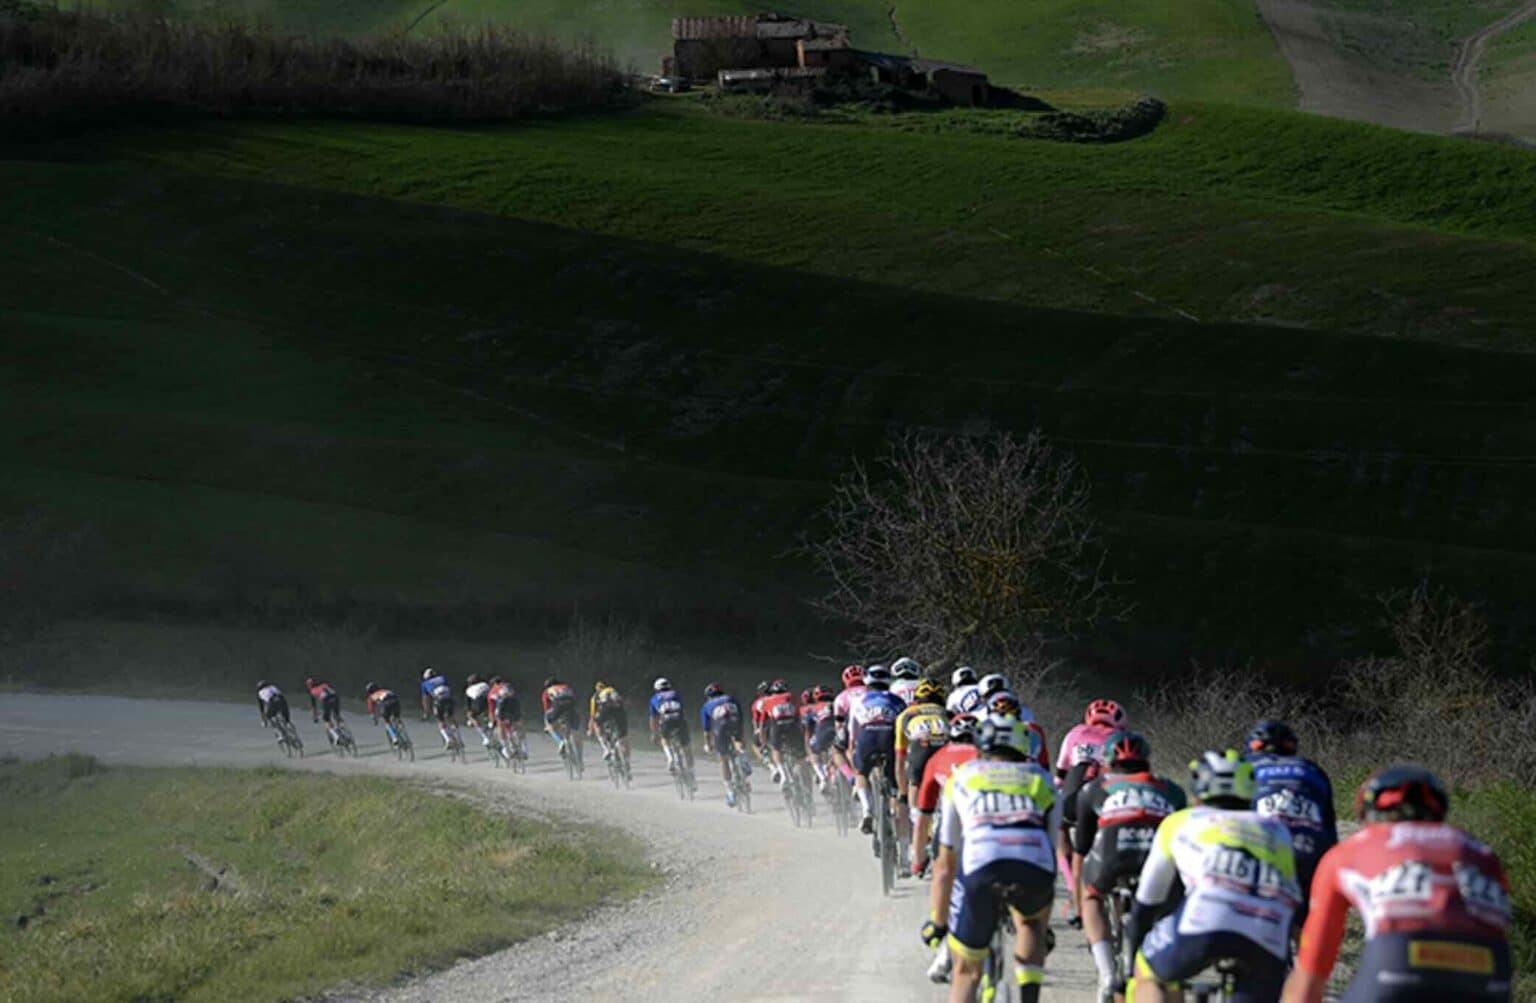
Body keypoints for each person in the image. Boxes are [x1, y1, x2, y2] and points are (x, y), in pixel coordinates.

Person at [1282, 765, 1512, 1003]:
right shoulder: (1483, 854)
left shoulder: (1350, 850)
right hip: (1488, 971)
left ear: (1368, 812)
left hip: (1398, 962)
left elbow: (1313, 966)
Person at [1124, 750, 1301, 1003]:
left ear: (1197, 790)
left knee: (1148, 974)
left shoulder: (1178, 822)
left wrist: (1130, 966)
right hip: (1267, 929)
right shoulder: (1276, 828)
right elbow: (1292, 897)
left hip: (1204, 919)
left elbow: (1147, 901)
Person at [921, 715, 1058, 1003]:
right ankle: (1029, 992)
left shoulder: (962, 778)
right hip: (1032, 864)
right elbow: (1052, 848)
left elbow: (945, 864)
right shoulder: (1042, 778)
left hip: (982, 865)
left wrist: (939, 922)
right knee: (1030, 924)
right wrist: (1043, 926)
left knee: (966, 970)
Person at [1071, 731, 1187, 1003]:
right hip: (1156, 856)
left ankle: (1107, 971)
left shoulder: (1094, 788)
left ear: (1109, 762)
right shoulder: (1172, 789)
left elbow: (1080, 854)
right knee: (1164, 911)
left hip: (1113, 854)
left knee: (1092, 897)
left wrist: (1079, 906)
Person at [1243, 719, 1337, 925]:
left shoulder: (1246, 768)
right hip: (1311, 850)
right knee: (1304, 924)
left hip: (1266, 852)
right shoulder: (1312, 769)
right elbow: (1329, 824)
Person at [914, 713, 982, 983]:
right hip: (993, 826)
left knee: (948, 887)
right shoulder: (989, 755)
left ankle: (943, 953)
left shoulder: (938, 757)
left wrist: (918, 860)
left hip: (951, 827)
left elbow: (923, 818)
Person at [1056, 698, 1127, 926]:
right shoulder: (1123, 740)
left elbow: (1060, 776)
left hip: (1075, 800)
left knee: (1061, 829)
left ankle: (1070, 884)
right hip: (1107, 801)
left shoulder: (1075, 733)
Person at [895, 678, 949, 873]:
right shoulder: (948, 713)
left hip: (921, 747)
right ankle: (941, 822)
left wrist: (902, 794)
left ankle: (917, 823)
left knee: (914, 784)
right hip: (945, 748)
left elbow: (900, 760)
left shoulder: (906, 715)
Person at [849, 664, 906, 836]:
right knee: (896, 778)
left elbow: (853, 733)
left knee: (860, 772)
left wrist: (854, 753)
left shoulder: (859, 700)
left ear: (867, 682)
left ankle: (867, 810)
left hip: (868, 735)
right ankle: (896, 811)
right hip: (890, 737)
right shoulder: (898, 700)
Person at [701, 682, 751, 807]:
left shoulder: (706, 705)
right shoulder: (731, 698)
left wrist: (708, 745)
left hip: (720, 728)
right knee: (738, 742)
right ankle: (744, 761)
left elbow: (706, 731)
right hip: (735, 722)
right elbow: (740, 715)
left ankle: (730, 792)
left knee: (723, 759)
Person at [761, 679, 812, 794]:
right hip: (793, 728)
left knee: (776, 750)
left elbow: (763, 725)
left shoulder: (767, 701)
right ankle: (808, 793)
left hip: (777, 729)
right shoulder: (791, 696)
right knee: (801, 760)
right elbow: (800, 715)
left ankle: (783, 775)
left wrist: (763, 742)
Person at [649, 677, 696, 789]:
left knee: (664, 739)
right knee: (687, 749)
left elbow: (653, 719)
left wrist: (654, 733)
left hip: (666, 722)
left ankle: (670, 757)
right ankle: (691, 776)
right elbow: (682, 709)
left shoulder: (654, 698)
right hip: (679, 721)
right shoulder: (676, 694)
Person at [801, 683, 837, 790]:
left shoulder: (812, 708)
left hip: (822, 734)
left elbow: (808, 730)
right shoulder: (837, 703)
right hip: (838, 732)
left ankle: (822, 777)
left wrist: (808, 748)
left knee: (813, 753)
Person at [588, 680, 630, 769]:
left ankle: (605, 749)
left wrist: (590, 729)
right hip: (619, 710)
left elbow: (592, 715)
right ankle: (627, 763)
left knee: (597, 724)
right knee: (623, 737)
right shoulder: (612, 690)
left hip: (605, 709)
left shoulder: (595, 697)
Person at [541, 676, 580, 757]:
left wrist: (548, 724)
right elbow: (575, 698)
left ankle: (561, 741)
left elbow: (547, 708)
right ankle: (579, 758)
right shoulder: (565, 687)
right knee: (575, 728)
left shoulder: (547, 691)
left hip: (558, 704)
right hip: (570, 704)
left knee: (548, 720)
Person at [488, 676, 525, 758]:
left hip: (503, 703)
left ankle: (506, 749)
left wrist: (492, 721)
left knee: (500, 724)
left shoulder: (492, 691)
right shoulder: (507, 686)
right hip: (514, 702)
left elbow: (491, 710)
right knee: (517, 724)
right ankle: (523, 748)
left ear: (493, 684)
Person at [306, 677, 343, 742]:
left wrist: (315, 717)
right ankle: (342, 728)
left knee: (326, 719)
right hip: (335, 698)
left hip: (327, 701)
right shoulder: (324, 685)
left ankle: (336, 737)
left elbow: (314, 706)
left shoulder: (312, 691)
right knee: (336, 715)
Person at [427, 673, 458, 748]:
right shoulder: (442, 678)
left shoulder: (426, 683)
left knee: (440, 721)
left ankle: (448, 740)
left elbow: (426, 699)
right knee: (451, 717)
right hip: (449, 699)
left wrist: (426, 712)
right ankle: (458, 736)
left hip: (439, 701)